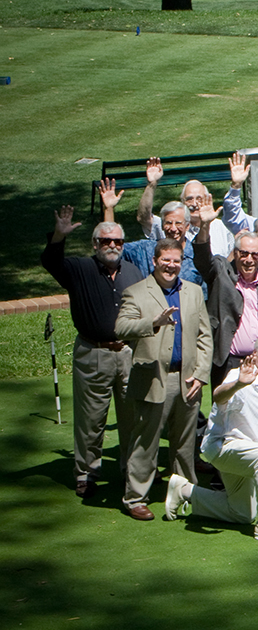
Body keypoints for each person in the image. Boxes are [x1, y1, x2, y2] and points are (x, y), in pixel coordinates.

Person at [41, 204, 142, 499]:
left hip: (128, 354)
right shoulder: (78, 269)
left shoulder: (133, 272)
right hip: (93, 353)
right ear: (94, 244)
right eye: (106, 241)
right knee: (90, 419)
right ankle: (86, 473)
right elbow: (50, 261)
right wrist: (59, 235)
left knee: (131, 416)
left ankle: (131, 471)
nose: (112, 246)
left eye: (118, 242)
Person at [164, 334, 258, 542]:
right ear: (255, 354)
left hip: (250, 453)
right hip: (225, 447)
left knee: (242, 514)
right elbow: (219, 396)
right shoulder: (239, 375)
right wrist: (238, 384)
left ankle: (185, 490)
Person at [114, 238, 212, 521]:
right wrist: (153, 323)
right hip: (154, 378)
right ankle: (135, 498)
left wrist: (201, 375)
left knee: (185, 443)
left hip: (188, 378)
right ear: (155, 261)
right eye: (166, 260)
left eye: (176, 261)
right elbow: (121, 327)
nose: (171, 266)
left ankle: (183, 493)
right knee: (146, 441)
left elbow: (205, 336)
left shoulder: (193, 292)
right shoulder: (136, 292)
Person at [192, 203, 258, 387]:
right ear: (235, 253)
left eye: (254, 255)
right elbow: (203, 260)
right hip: (228, 362)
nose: (249, 259)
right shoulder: (222, 274)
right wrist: (204, 226)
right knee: (225, 411)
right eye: (243, 253)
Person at [134, 158, 234, 257]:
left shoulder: (221, 227)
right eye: (189, 199)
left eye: (199, 198)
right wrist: (152, 184)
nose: (194, 204)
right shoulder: (171, 226)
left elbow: (231, 258)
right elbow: (143, 217)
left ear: (208, 200)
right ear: (182, 202)